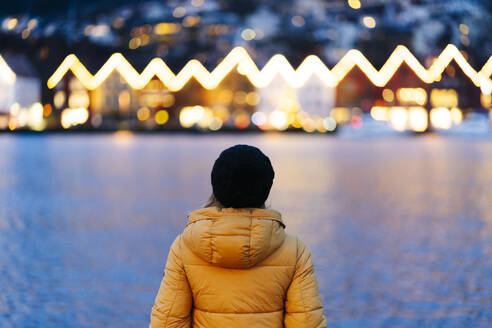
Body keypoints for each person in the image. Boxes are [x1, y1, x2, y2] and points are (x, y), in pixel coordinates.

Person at [150, 144, 326, 328]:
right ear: (265, 188)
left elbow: (167, 323)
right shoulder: (295, 251)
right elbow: (307, 324)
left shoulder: (184, 247)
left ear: (216, 186)